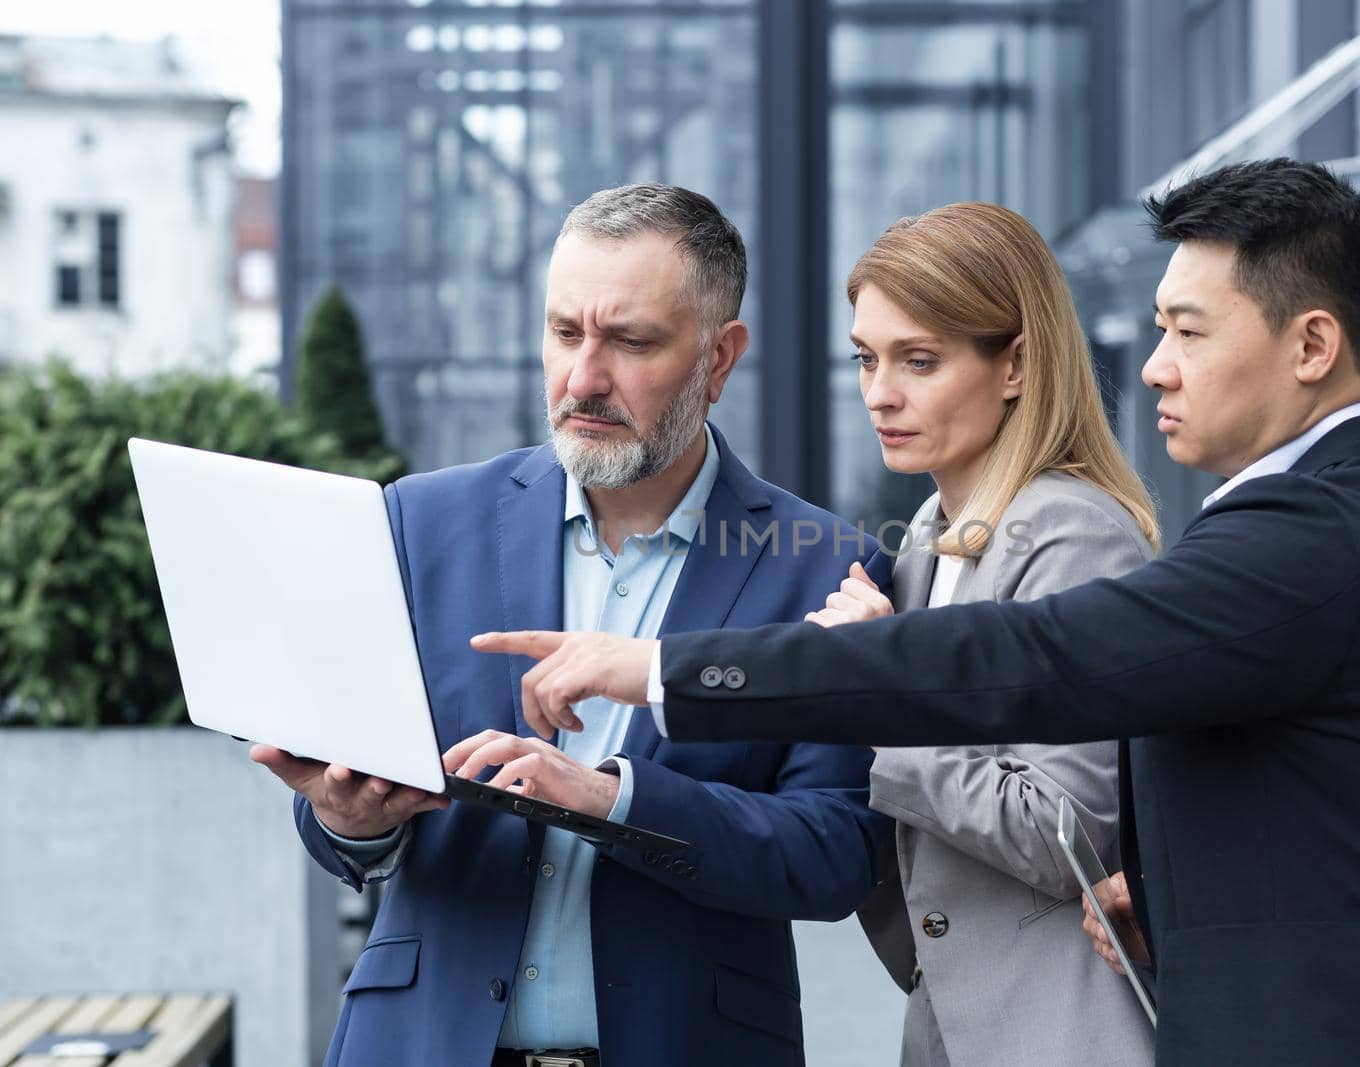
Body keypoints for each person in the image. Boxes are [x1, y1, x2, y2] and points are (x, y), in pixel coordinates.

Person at [478, 161, 1360, 1066]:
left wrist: (671, 669)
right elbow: (1277, 795)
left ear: (1309, 346)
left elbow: (1045, 669)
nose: (1156, 361)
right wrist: (1154, 888)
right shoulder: (1306, 522)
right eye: (866, 357)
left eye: (1187, 329)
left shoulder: (1309, 535)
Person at [252, 184, 890, 1067]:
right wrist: (351, 818)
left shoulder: (821, 566)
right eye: (564, 333)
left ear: (719, 357)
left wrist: (609, 798)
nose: (583, 378)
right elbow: (347, 824)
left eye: (629, 341)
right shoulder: (416, 522)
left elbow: (834, 853)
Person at [803, 202, 1157, 1066]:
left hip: (1061, 1029)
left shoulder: (1074, 533)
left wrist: (881, 683)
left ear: (1017, 365)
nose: (880, 392)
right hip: (955, 1018)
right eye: (866, 358)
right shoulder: (929, 531)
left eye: (919, 360)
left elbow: (1063, 827)